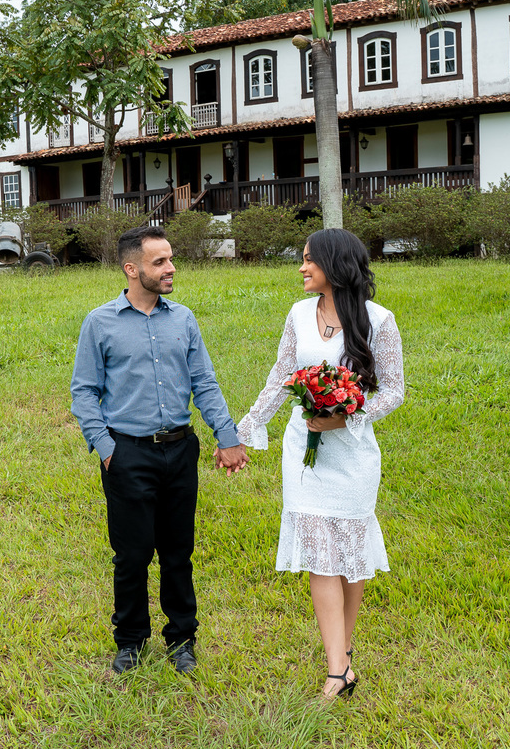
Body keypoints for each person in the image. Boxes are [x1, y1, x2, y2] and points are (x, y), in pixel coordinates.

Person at [71, 224, 249, 676]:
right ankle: (130, 640)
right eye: (159, 262)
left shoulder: (183, 319)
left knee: (177, 553)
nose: (170, 268)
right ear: (132, 269)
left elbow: (204, 382)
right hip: (127, 454)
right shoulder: (100, 322)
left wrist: (226, 436)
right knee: (131, 555)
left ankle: (181, 639)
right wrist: (107, 448)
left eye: (170, 259)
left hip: (179, 452)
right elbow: (84, 392)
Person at [236, 228, 404, 699]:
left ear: (336, 265)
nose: (302, 267)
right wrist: (244, 429)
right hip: (303, 453)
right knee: (320, 554)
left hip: (352, 453)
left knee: (350, 555)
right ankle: (336, 670)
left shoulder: (379, 320)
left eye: (309, 260)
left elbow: (392, 390)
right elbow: (280, 376)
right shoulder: (297, 314)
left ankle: (343, 658)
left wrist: (345, 417)